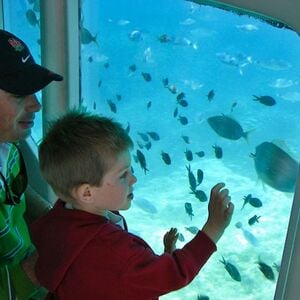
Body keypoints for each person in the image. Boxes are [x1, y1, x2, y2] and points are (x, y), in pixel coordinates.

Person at [31, 109, 234, 300]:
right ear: (87, 192)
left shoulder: (55, 222)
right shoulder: (112, 251)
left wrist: (164, 256)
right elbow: (173, 275)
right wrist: (213, 229)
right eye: (123, 175)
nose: (133, 179)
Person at [0, 29, 63, 300]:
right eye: (18, 94)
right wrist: (41, 266)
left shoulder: (7, 144)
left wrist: (60, 220)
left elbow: (15, 192)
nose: (36, 105)